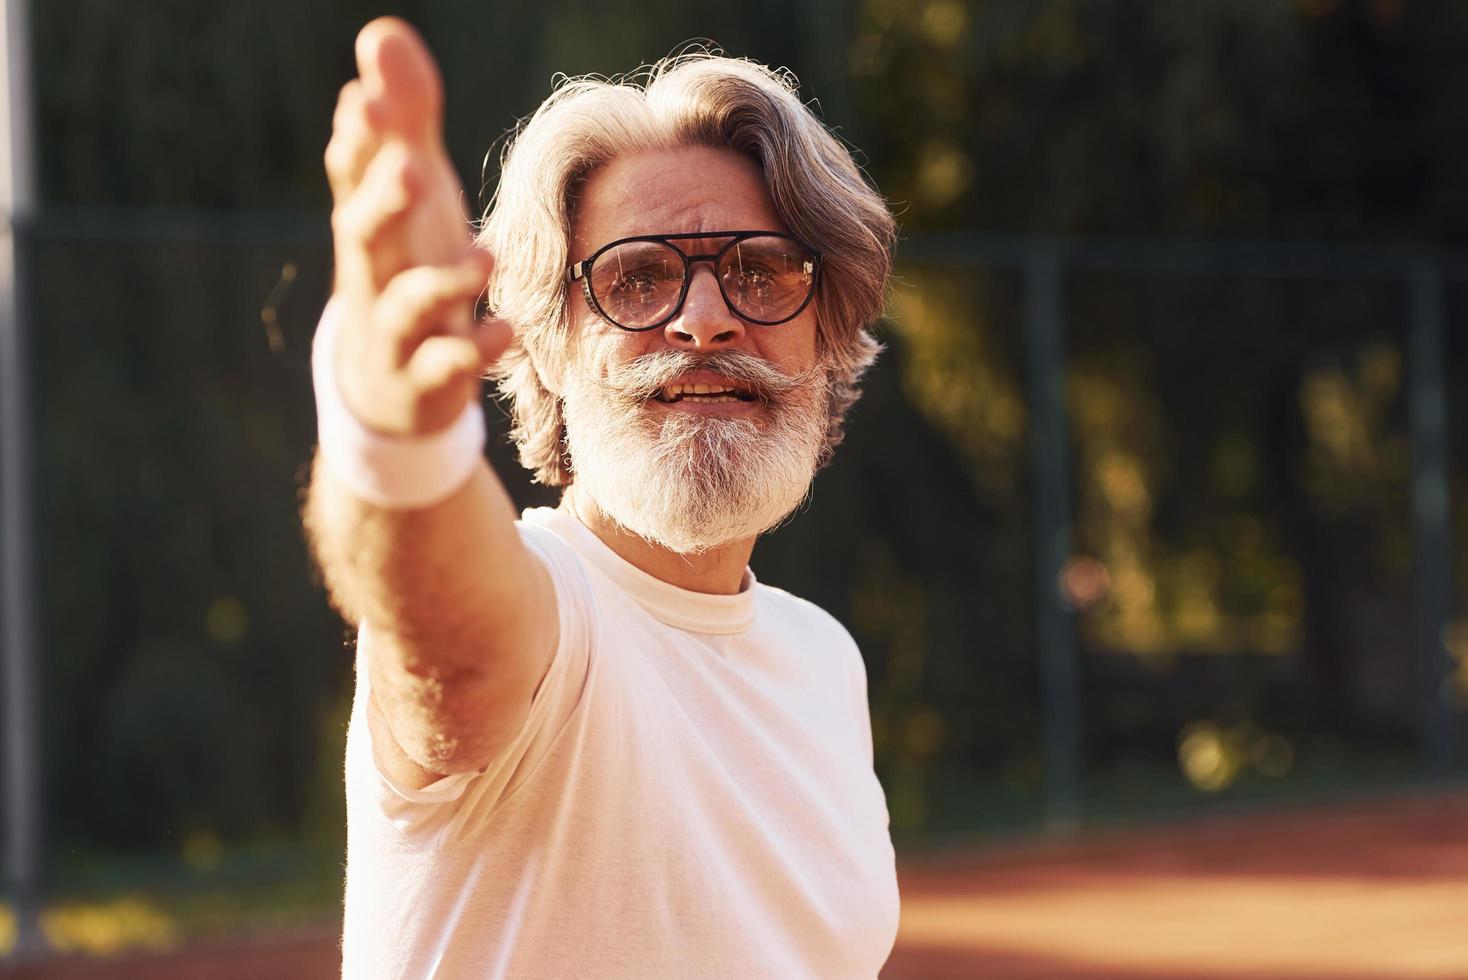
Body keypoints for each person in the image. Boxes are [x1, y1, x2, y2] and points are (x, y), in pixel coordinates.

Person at [304, 16, 899, 979]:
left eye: (761, 270)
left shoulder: (822, 660)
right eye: (636, 278)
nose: (704, 319)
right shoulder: (552, 614)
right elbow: (447, 656)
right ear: (547, 344)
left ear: (826, 334)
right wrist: (390, 434)